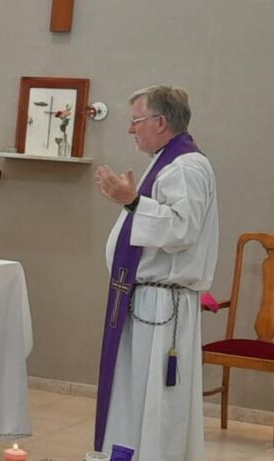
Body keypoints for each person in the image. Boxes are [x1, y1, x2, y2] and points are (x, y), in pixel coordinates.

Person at [92, 85, 217, 460]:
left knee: (158, 403)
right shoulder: (166, 161)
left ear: (161, 122)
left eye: (137, 120)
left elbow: (183, 230)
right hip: (145, 299)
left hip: (164, 306)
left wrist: (132, 202)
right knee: (133, 398)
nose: (132, 129)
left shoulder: (187, 166)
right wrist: (133, 203)